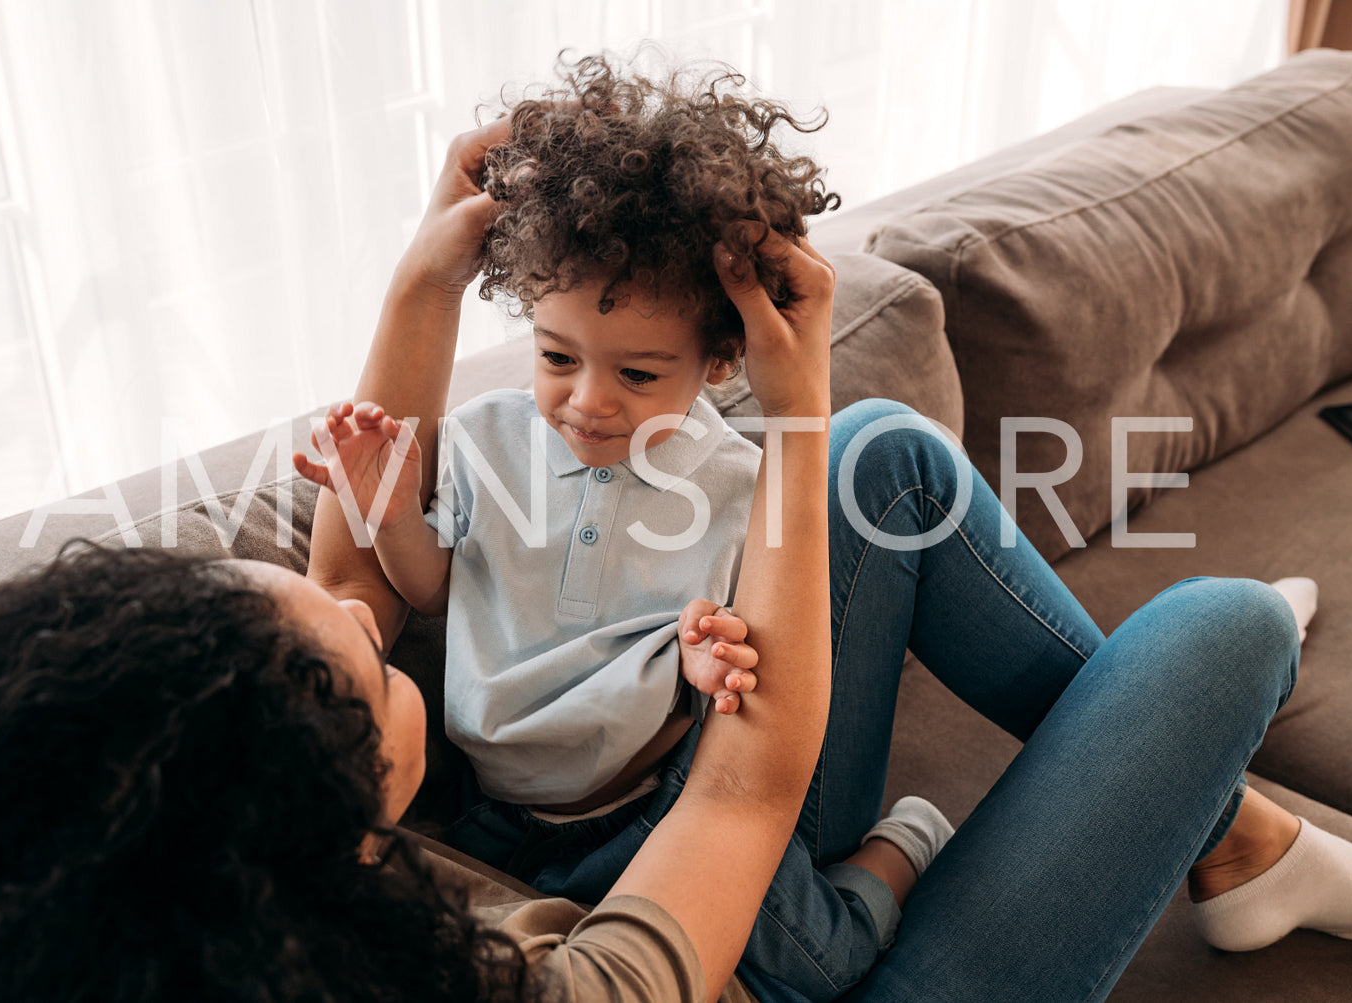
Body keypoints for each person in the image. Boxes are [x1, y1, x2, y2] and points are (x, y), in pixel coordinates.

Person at [0, 56, 1352, 1003]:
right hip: (734, 905)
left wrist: (418, 282)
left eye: (635, 368)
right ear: (333, 829)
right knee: (1227, 623)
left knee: (883, 455)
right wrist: (785, 451)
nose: (350, 605)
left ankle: (1229, 826)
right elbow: (742, 790)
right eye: (352, 662)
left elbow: (359, 580)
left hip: (666, 789)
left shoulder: (214, 887)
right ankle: (1231, 821)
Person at [290, 53, 953, 1000]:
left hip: (648, 810)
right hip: (496, 813)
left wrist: (703, 660)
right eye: (557, 355)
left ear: (722, 359)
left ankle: (902, 845)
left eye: (638, 375)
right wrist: (388, 507)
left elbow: (745, 667)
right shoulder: (483, 437)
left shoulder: (740, 483)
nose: (587, 403)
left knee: (821, 962)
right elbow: (431, 587)